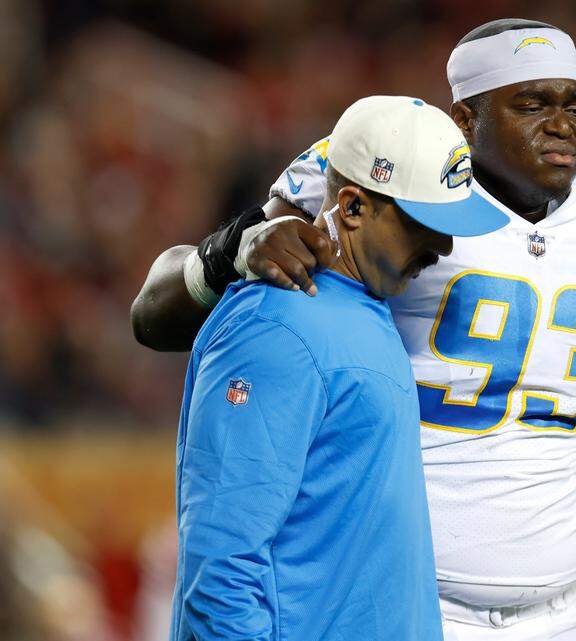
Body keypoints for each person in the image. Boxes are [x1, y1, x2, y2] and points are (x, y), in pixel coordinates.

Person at [131, 18, 576, 641]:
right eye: (531, 104)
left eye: (574, 105)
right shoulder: (387, 181)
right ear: (464, 120)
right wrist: (231, 249)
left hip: (570, 604)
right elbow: (156, 317)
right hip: (416, 603)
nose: (562, 126)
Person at [170, 96, 507, 641]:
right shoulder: (278, 324)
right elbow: (220, 566)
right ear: (352, 207)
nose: (444, 245)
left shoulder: (363, 306)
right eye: (425, 222)